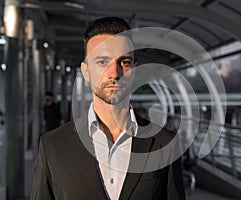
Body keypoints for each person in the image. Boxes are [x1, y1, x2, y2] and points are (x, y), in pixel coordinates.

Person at [31, 17, 185, 200]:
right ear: (86, 72)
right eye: (103, 62)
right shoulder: (53, 146)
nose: (114, 73)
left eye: (125, 62)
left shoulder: (165, 143)